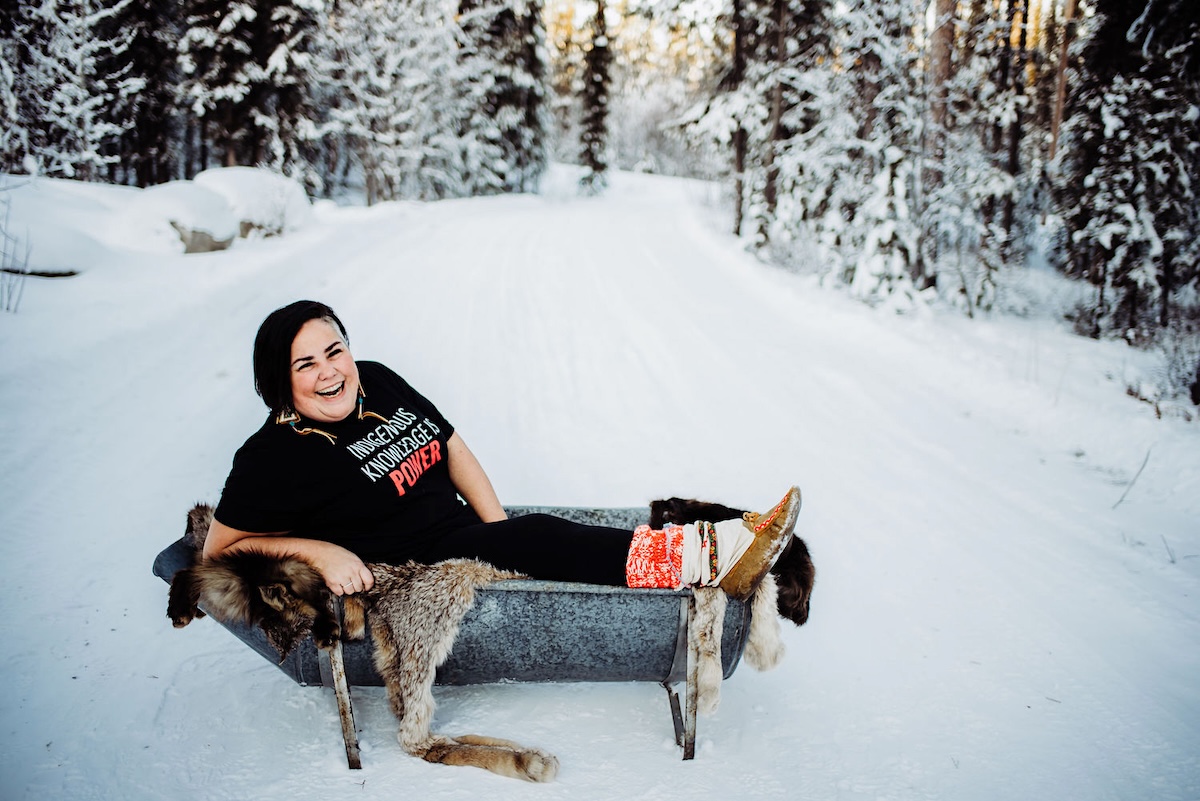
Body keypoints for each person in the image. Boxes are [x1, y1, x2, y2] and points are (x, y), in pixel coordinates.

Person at [204, 300, 800, 601]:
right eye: (305, 364)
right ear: (278, 381)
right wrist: (321, 553)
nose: (331, 373)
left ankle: (726, 538)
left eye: (335, 351)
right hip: (414, 567)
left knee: (532, 535)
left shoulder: (377, 380)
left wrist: (497, 534)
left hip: (460, 534)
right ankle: (708, 562)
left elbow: (450, 445)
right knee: (542, 534)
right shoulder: (271, 455)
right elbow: (217, 552)